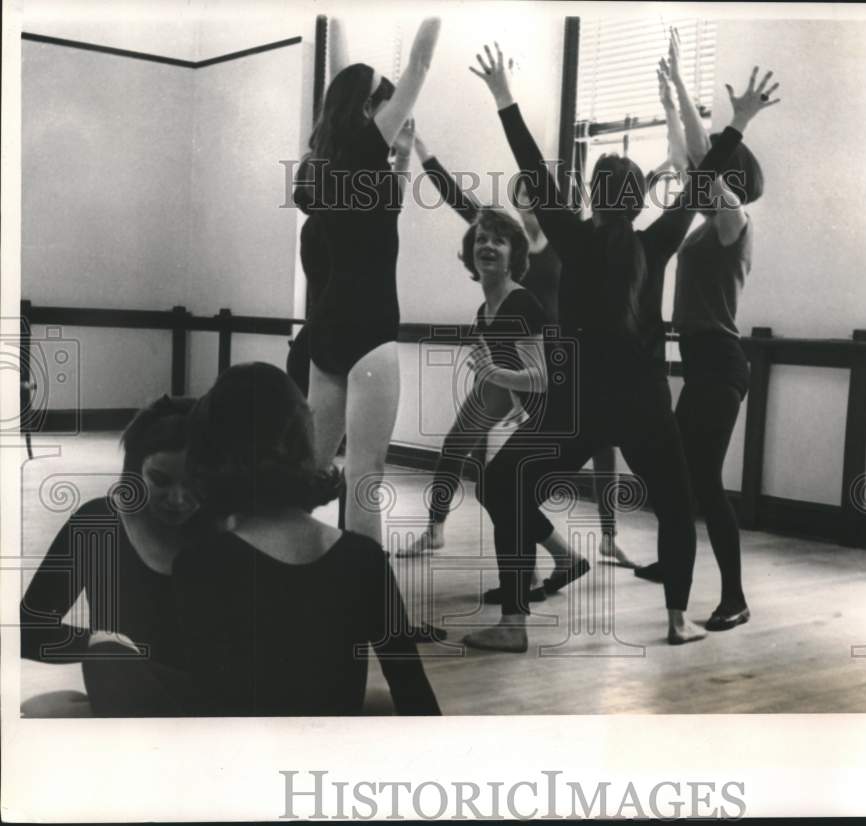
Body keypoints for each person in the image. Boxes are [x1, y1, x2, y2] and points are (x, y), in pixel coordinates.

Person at [462, 42, 778, 652]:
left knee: (504, 483)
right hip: (642, 403)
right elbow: (703, 180)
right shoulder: (658, 239)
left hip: (577, 404)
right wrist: (739, 121)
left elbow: (531, 167)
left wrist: (504, 97)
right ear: (638, 200)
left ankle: (514, 624)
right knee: (678, 502)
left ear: (591, 197)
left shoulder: (571, 235)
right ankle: (677, 620)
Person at [400, 145, 635, 571]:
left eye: (536, 193)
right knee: (458, 442)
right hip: (504, 358)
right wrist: (425, 154)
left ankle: (608, 537)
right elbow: (458, 200)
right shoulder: (506, 237)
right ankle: (434, 528)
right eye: (523, 192)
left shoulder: (571, 239)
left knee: (603, 445)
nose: (528, 200)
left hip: (552, 359)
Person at [173, 362, 441, 716]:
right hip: (330, 756)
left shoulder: (203, 563)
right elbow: (415, 696)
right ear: (304, 440)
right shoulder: (364, 559)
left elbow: (192, 704)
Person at [634, 40, 771, 633]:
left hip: (720, 362)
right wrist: (673, 99)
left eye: (719, 173)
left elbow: (705, 162)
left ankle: (735, 597)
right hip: (698, 361)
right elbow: (692, 157)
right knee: (680, 470)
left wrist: (727, 118)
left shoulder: (735, 224)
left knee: (706, 480)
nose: (704, 177)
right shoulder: (704, 224)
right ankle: (673, 561)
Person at [292, 18, 441, 544]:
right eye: (385, 97)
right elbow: (420, 65)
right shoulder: (361, 143)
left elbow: (388, 205)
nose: (393, 101)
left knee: (309, 470)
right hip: (369, 330)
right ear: (367, 109)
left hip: (326, 330)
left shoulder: (330, 163)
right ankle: (367, 607)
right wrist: (439, 15)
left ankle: (292, 567)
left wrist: (402, 151)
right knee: (363, 476)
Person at [20, 396, 202, 716]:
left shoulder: (226, 529)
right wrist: (105, 648)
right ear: (133, 471)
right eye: (161, 480)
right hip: (126, 698)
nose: (177, 498)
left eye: (193, 483)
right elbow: (30, 628)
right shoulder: (98, 524)